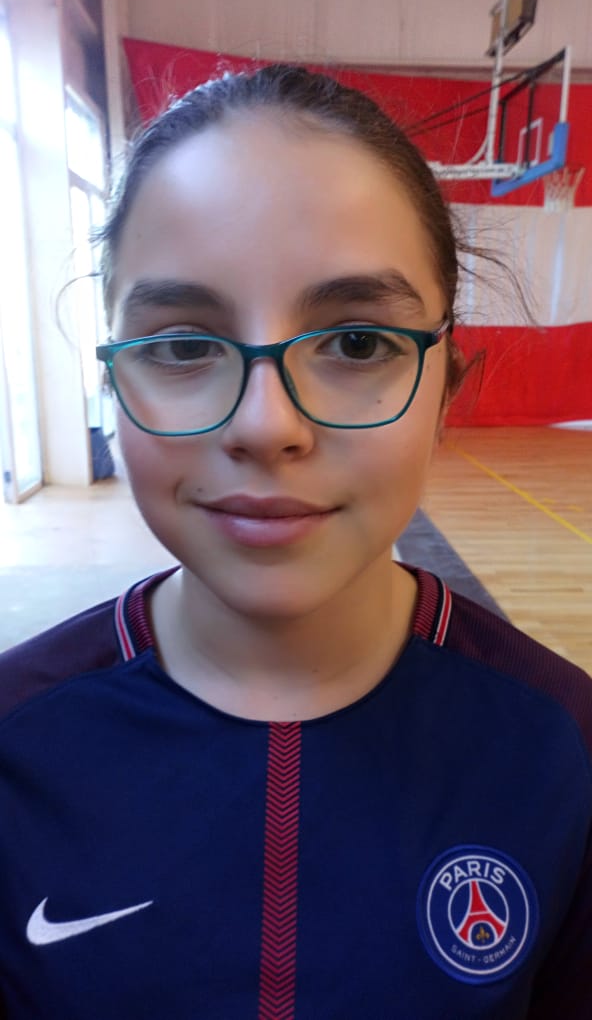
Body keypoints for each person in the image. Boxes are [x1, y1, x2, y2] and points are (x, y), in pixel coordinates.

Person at [0, 64, 590, 1020]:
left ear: (447, 389)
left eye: (356, 343)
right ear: (113, 382)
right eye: (183, 344)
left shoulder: (565, 750)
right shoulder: (15, 745)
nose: (267, 425)